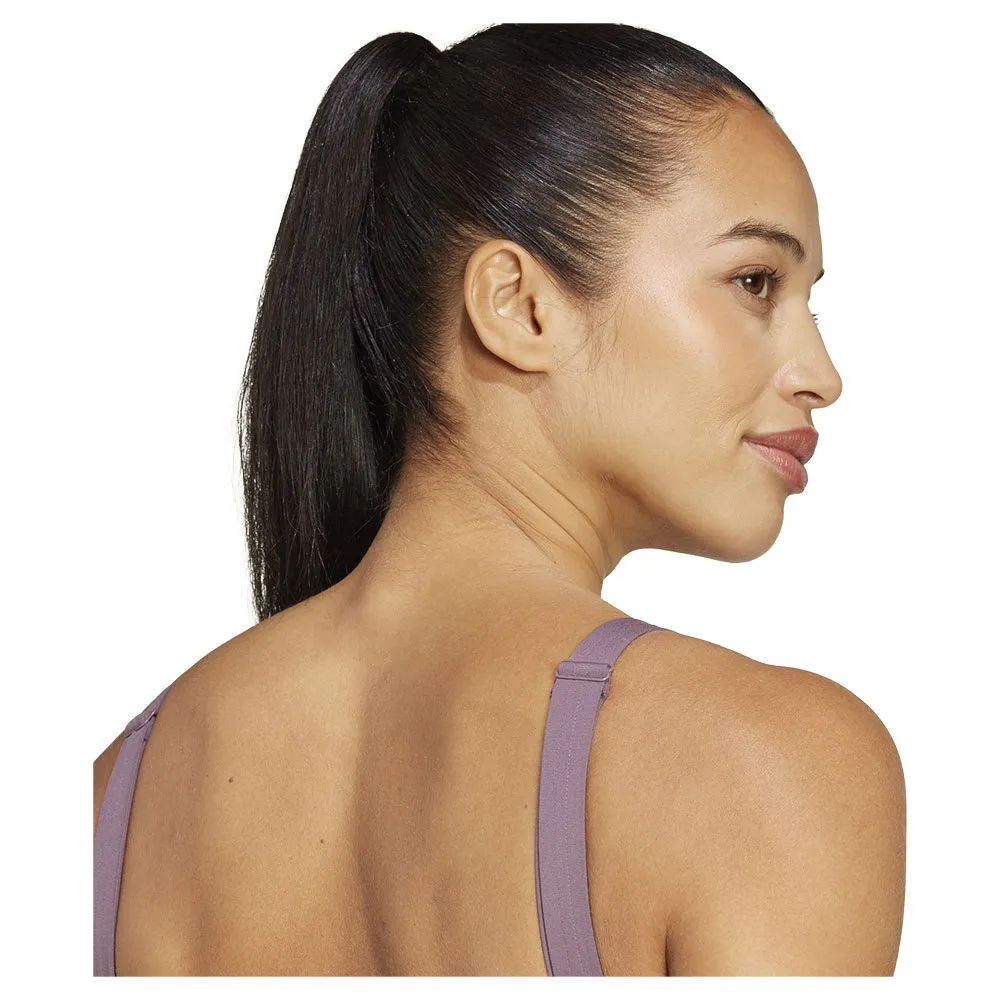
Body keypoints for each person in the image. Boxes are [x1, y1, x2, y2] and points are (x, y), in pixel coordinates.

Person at [93, 22, 905, 976]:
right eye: (755, 282)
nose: (821, 375)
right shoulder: (763, 764)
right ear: (518, 305)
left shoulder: (114, 802)